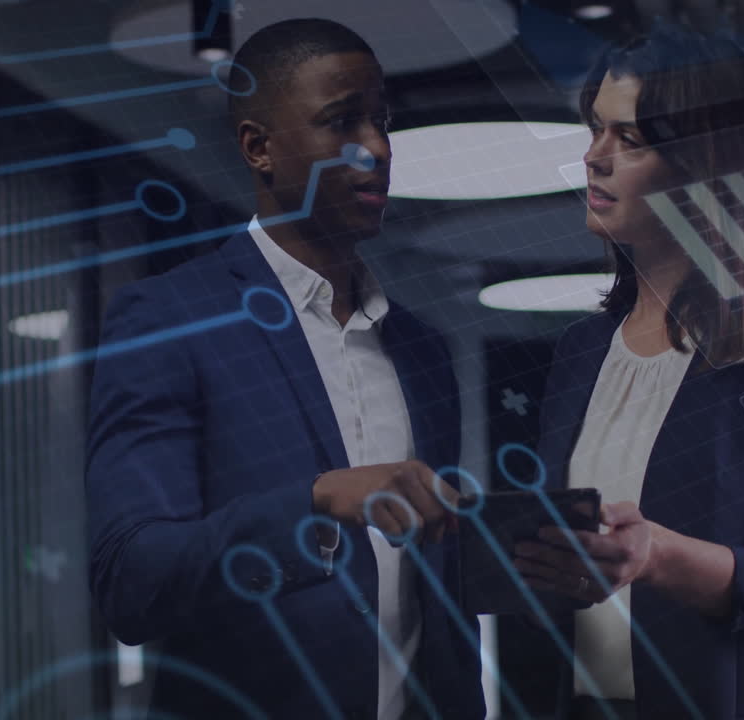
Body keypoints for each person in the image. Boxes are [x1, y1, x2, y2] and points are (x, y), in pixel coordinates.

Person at [85, 18, 485, 720]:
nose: (378, 148)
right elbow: (132, 582)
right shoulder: (170, 321)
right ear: (259, 148)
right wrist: (317, 500)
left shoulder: (423, 349)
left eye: (381, 120)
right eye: (341, 122)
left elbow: (434, 592)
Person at [511, 24, 744, 720]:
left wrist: (659, 558)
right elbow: (566, 580)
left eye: (630, 140)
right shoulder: (583, 347)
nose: (595, 158)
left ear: (703, 166)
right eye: (595, 129)